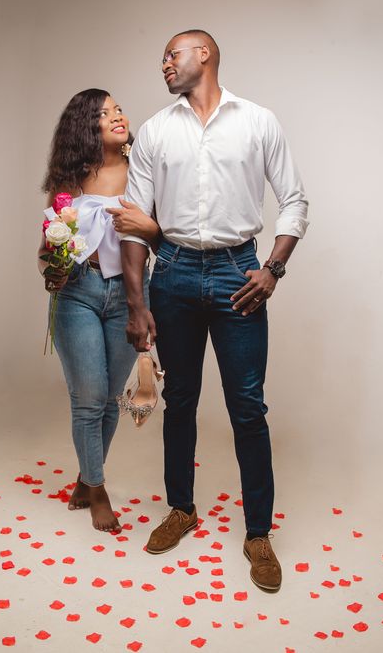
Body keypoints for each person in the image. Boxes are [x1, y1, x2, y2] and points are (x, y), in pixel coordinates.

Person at [120, 30, 309, 591]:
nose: (163, 66)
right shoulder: (155, 131)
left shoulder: (258, 121)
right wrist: (136, 303)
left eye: (170, 55)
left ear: (203, 55)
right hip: (173, 271)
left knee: (247, 406)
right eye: (160, 59)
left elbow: (294, 200)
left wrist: (271, 269)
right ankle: (182, 508)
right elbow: (133, 220)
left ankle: (257, 534)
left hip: (237, 273)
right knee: (180, 401)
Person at [38, 88, 160, 533]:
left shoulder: (143, 174)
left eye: (119, 109)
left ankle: (86, 476)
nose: (117, 116)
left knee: (109, 397)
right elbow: (47, 246)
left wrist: (147, 227)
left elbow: (162, 235)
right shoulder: (71, 179)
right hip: (78, 290)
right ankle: (99, 487)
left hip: (129, 294)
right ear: (85, 127)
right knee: (88, 397)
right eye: (103, 113)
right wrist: (50, 264)